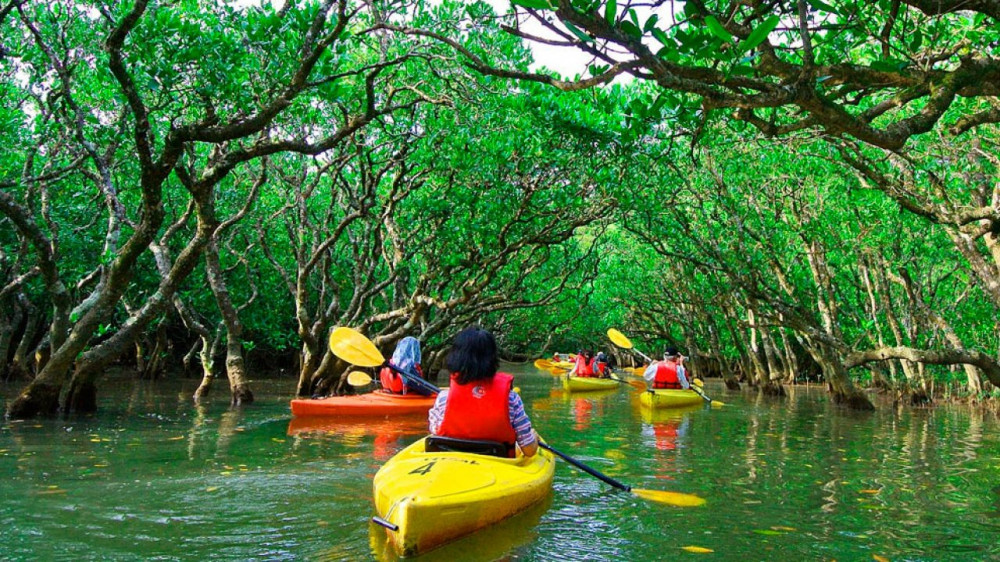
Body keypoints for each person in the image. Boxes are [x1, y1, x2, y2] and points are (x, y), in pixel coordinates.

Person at [428, 327, 539, 457]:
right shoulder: (511, 399)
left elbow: (435, 434)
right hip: (498, 467)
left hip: (452, 465)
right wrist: (534, 438)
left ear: (456, 356)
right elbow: (529, 451)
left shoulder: (443, 398)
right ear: (492, 358)